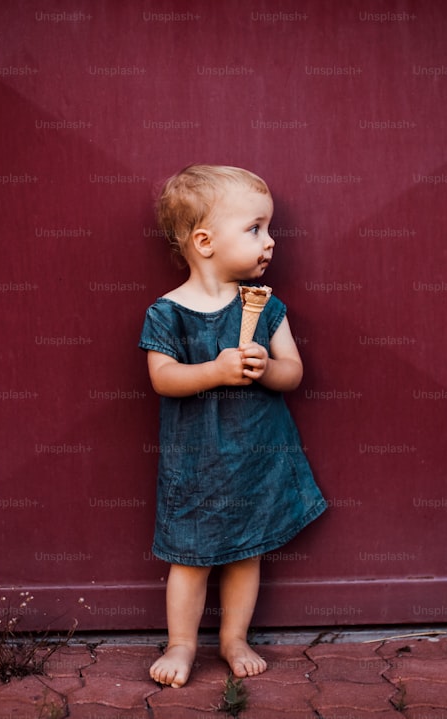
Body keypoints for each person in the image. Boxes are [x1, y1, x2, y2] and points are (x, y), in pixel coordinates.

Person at [138, 164, 325, 687]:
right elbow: (163, 378)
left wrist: (268, 368)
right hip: (196, 461)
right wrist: (216, 370)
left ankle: (234, 637)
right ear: (204, 241)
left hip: (256, 455)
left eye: (269, 229)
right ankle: (181, 644)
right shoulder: (168, 313)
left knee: (248, 551)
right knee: (190, 557)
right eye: (255, 228)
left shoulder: (264, 306)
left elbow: (294, 372)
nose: (270, 241)